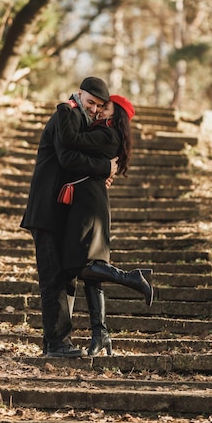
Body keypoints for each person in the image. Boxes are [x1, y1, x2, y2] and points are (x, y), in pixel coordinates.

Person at [20, 77, 119, 358]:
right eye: (91, 103)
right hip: (46, 210)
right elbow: (66, 158)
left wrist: (100, 176)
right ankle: (57, 344)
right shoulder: (68, 114)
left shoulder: (79, 118)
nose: (94, 109)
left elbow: (74, 165)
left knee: (64, 277)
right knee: (53, 278)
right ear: (80, 95)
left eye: (99, 106)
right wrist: (103, 168)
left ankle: (56, 342)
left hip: (60, 212)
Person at [56, 94, 154, 356]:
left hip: (90, 205)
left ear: (116, 113)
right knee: (92, 272)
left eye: (104, 107)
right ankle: (101, 334)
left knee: (82, 266)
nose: (98, 111)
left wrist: (66, 110)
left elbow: (74, 141)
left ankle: (133, 278)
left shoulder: (107, 135)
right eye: (97, 106)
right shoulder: (103, 132)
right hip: (89, 200)